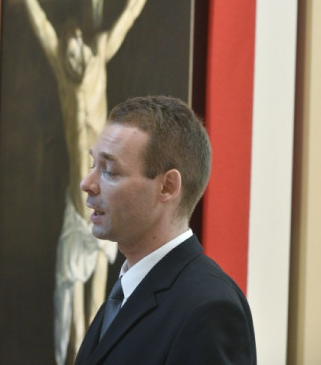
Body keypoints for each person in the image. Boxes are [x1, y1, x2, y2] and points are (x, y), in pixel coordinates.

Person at [11, 0, 179, 364]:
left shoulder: (100, 56)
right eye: (66, 57)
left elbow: (131, 12)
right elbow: (43, 30)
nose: (72, 62)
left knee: (97, 299)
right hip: (76, 203)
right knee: (69, 298)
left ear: (85, 43)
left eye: (75, 54)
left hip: (101, 196)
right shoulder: (65, 80)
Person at [75, 95, 257, 364]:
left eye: (109, 171)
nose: (87, 183)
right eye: (93, 165)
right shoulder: (127, 291)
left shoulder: (208, 308)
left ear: (167, 187)